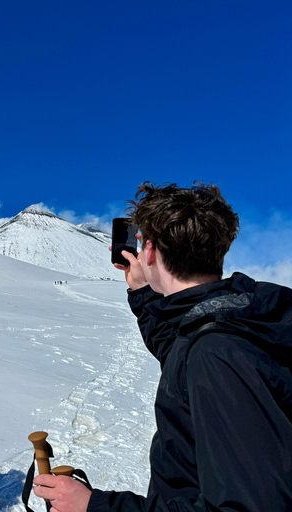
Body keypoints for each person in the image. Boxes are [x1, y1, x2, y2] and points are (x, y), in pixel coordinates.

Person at [33, 182, 292, 511]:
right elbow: (181, 348)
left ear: (151, 252)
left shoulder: (216, 353)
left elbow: (247, 506)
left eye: (142, 244)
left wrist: (95, 506)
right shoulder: (241, 313)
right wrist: (144, 294)